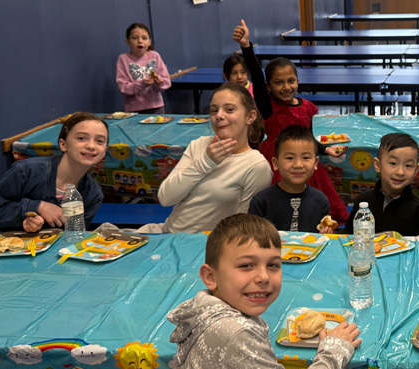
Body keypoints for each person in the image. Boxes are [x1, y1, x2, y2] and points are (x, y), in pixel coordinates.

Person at [166, 214, 373, 369]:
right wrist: (333, 352)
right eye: (246, 266)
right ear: (210, 276)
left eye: (273, 265)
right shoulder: (235, 335)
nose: (263, 277)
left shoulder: (205, 311)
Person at [233, 19, 350, 226]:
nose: (286, 87)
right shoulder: (268, 105)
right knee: (280, 206)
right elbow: (257, 79)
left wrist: (325, 150)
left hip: (305, 158)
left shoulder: (307, 106)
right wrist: (246, 46)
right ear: (269, 86)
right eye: (278, 82)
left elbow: (309, 138)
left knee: (316, 209)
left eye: (291, 81)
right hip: (277, 159)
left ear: (298, 81)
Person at [143, 83, 272, 233]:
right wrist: (205, 162)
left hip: (208, 246)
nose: (219, 115)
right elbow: (166, 198)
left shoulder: (256, 165)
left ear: (250, 117)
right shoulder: (199, 145)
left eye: (229, 109)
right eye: (214, 110)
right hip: (168, 235)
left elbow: (243, 228)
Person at [0, 113, 108, 232]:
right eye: (81, 138)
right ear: (63, 144)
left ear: (104, 152)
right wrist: (38, 207)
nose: (91, 146)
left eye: (100, 141)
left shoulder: (93, 194)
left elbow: (75, 235)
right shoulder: (25, 171)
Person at [248, 125, 334, 233]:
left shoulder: (321, 201)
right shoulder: (261, 202)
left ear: (316, 163)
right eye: (290, 158)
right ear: (275, 163)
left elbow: (323, 239)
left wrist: (326, 235)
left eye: (306, 158)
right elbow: (252, 238)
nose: (298, 165)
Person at [344, 133, 419, 236]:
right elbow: (349, 235)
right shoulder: (363, 202)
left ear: (416, 170)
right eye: (393, 163)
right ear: (378, 165)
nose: (400, 172)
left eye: (408, 165)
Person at [115, 23, 171, 114]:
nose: (140, 41)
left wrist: (158, 83)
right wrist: (142, 84)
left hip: (156, 107)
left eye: (144, 38)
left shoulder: (155, 56)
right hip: (133, 110)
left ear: (149, 42)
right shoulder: (123, 59)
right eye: (135, 38)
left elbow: (166, 82)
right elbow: (124, 87)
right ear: (127, 41)